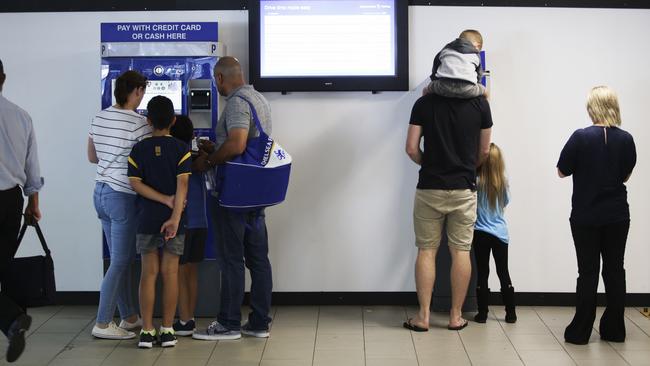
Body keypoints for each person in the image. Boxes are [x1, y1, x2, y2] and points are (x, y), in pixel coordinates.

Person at [192, 56, 273, 341]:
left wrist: (210, 159)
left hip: (233, 195)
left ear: (219, 78)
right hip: (255, 192)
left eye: (216, 81)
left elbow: (238, 143)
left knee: (231, 259)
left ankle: (228, 323)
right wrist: (218, 146)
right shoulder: (258, 99)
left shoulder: (238, 103)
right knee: (258, 260)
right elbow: (247, 144)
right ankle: (260, 322)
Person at [404, 77, 492, 332]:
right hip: (464, 189)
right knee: (461, 251)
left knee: (426, 251)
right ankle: (455, 317)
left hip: (430, 187)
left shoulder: (424, 103)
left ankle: (423, 317)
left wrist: (430, 165)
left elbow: (411, 148)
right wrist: (465, 168)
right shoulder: (480, 104)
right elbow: (485, 151)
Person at [558, 86, 636, 345]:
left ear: (592, 107)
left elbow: (561, 171)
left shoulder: (580, 137)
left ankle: (580, 331)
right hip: (617, 215)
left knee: (588, 271)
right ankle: (615, 330)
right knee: (615, 270)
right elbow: (625, 175)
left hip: (585, 215)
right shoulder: (626, 139)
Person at [88, 70, 150, 340]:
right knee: (122, 260)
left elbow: (92, 156)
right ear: (136, 91)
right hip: (122, 196)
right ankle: (102, 323)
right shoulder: (140, 124)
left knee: (118, 260)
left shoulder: (99, 117)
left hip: (100, 193)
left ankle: (129, 317)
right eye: (142, 91)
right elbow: (148, 163)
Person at [128, 96, 191, 348]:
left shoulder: (138, 150)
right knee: (170, 273)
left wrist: (162, 199)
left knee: (148, 274)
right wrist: (174, 216)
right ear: (173, 121)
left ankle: (146, 331)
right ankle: (167, 330)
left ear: (148, 120)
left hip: (146, 218)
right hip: (173, 221)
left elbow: (135, 183)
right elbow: (183, 184)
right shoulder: (181, 149)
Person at [0, 58, 42, 363]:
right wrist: (34, 203)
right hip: (11, 201)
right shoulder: (21, 116)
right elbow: (32, 167)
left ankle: (13, 318)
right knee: (2, 266)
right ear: (3, 79)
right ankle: (12, 322)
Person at [169, 115, 209, 336]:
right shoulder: (196, 155)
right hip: (200, 221)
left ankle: (184, 321)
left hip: (183, 222)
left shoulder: (174, 155)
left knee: (179, 271)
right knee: (191, 271)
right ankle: (189, 317)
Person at [472, 143, 516, 324]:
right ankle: (511, 313)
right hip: (500, 234)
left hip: (481, 232)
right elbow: (505, 203)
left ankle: (482, 313)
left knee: (482, 272)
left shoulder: (476, 181)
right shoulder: (503, 183)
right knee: (503, 271)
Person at [423, 29, 486, 99]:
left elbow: (435, 67)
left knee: (425, 89)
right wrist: (477, 84)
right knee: (486, 92)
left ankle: (423, 105)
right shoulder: (475, 54)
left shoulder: (445, 50)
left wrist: (434, 81)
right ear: (477, 45)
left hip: (444, 87)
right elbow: (479, 74)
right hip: (467, 90)